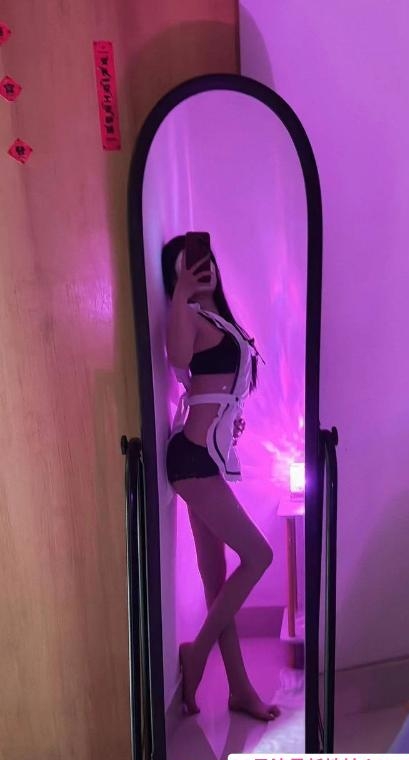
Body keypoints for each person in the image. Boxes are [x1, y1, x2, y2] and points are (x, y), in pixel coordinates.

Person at [162, 234, 281, 722]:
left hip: (207, 459)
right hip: (191, 461)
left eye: (206, 259)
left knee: (217, 582)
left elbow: (219, 387)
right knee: (259, 555)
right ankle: (197, 654)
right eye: (189, 264)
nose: (203, 267)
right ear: (177, 275)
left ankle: (240, 690)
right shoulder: (189, 316)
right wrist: (180, 294)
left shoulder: (220, 321)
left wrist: (230, 416)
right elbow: (177, 357)